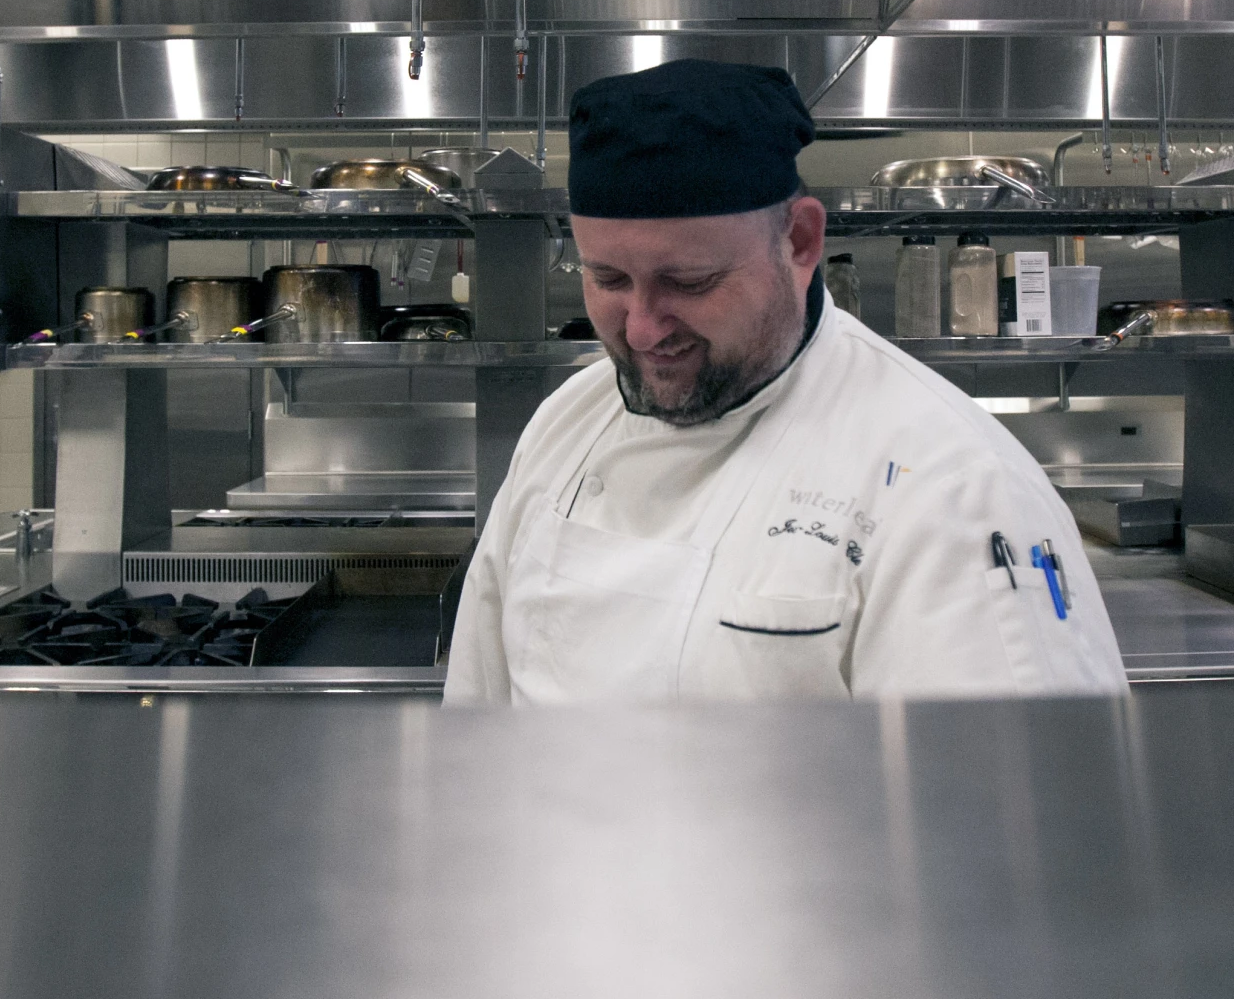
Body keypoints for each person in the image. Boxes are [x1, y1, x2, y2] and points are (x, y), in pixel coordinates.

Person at [443, 58, 1128, 704]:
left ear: (799, 242)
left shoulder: (951, 484)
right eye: (608, 280)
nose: (645, 329)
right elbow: (477, 723)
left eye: (690, 281)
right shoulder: (566, 425)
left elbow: (1012, 810)